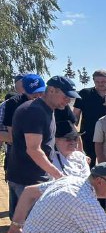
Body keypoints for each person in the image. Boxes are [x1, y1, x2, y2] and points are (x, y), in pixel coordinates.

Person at [7, 76, 78, 215]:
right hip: (27, 180)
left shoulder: (46, 109)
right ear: (51, 90)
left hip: (33, 177)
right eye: (66, 96)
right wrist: (59, 176)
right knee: (32, 229)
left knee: (30, 227)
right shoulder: (35, 111)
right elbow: (34, 150)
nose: (68, 100)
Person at [73, 69, 106, 166]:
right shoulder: (84, 93)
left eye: (103, 82)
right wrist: (73, 133)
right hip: (88, 136)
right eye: (97, 82)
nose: (100, 84)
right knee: (88, 166)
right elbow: (75, 115)